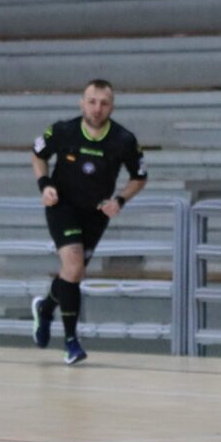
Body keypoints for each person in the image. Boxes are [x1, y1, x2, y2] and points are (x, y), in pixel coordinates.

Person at [29, 79, 148, 364]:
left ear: (112, 107)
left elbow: (140, 177)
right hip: (63, 207)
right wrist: (45, 185)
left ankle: (45, 308)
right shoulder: (63, 130)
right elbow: (38, 155)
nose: (97, 109)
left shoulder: (124, 140)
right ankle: (71, 342)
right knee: (73, 266)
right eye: (92, 102)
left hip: (96, 213)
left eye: (103, 103)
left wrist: (119, 200)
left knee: (74, 273)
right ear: (81, 103)